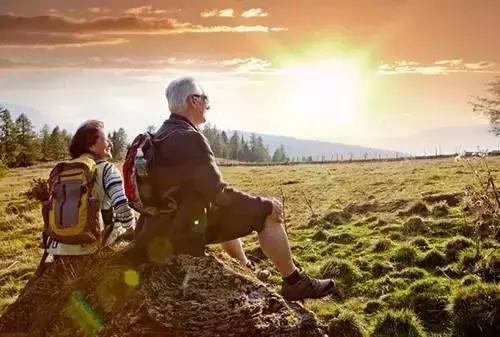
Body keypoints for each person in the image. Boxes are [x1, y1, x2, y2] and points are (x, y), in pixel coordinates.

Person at [133, 76, 338, 301]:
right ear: (193, 100)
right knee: (266, 216)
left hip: (156, 230)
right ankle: (295, 283)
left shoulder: (158, 137)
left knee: (224, 212)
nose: (207, 106)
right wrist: (265, 205)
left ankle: (244, 268)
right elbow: (220, 194)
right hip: (181, 235)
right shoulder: (190, 139)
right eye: (205, 99)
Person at [45, 120, 136, 258]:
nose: (110, 143)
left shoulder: (65, 169)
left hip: (59, 245)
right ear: (91, 144)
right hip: (90, 245)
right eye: (106, 139)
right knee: (129, 220)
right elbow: (121, 206)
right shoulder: (107, 169)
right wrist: (133, 230)